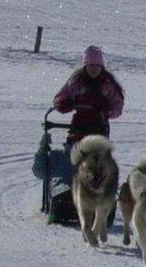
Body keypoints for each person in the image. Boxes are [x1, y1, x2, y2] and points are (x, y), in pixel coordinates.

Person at [33, 46, 125, 220]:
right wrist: (63, 104)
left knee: (97, 169)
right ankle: (63, 193)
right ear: (84, 66)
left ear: (102, 66)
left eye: (97, 65)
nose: (94, 68)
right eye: (90, 65)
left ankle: (98, 198)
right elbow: (59, 99)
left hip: (98, 133)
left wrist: (108, 111)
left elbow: (118, 107)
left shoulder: (107, 85)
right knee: (68, 166)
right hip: (77, 132)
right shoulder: (76, 82)